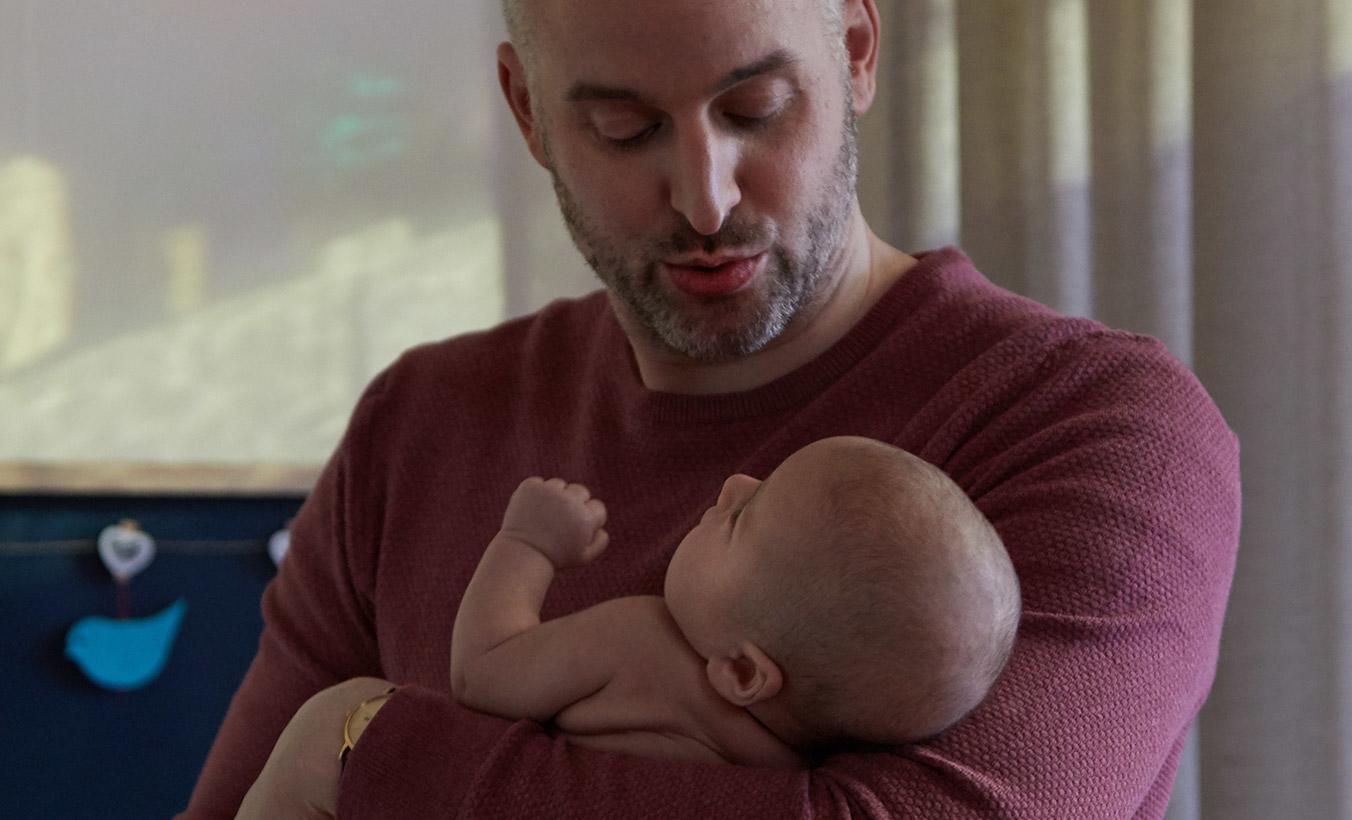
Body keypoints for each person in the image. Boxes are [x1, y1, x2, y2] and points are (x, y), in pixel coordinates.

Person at [184, 0, 1241, 817]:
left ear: (858, 48)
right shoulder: (418, 422)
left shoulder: (1097, 426)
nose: (704, 199)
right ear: (527, 115)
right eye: (622, 127)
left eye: (753, 111)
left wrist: (358, 749)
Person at [450, 436, 1021, 767]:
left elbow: (482, 673)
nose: (736, 483)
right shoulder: (799, 773)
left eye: (743, 518)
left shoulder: (634, 644)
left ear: (742, 670)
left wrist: (526, 545)